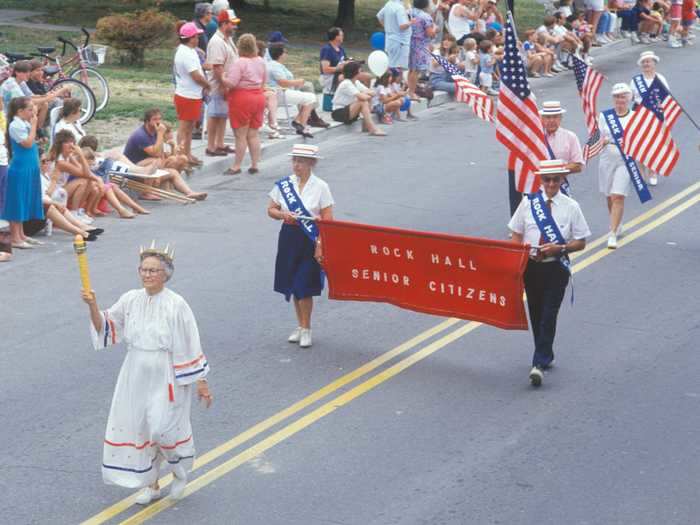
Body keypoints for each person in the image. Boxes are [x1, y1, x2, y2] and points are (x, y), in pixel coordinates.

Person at [81, 244, 212, 505]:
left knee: (163, 430)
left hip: (167, 376)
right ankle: (151, 485)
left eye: (154, 270)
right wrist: (93, 306)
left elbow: (190, 343)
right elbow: (105, 327)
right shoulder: (130, 299)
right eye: (144, 269)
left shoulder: (177, 305)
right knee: (140, 430)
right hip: (135, 373)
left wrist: (201, 382)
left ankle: (178, 471)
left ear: (166, 274)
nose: (148, 275)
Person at [508, 159, 591, 387]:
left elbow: (581, 241)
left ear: (562, 179)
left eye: (556, 179)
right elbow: (516, 233)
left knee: (548, 314)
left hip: (556, 268)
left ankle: (538, 363)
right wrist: (519, 257)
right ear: (541, 180)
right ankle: (545, 353)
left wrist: (560, 248)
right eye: (547, 179)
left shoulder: (571, 206)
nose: (552, 183)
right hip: (532, 268)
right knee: (535, 313)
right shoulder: (528, 204)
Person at [267, 144, 334, 348]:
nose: (296, 165)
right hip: (289, 236)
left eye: (301, 162)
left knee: (305, 285)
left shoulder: (321, 186)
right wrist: (282, 214)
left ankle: (306, 328)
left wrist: (320, 245)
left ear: (311, 164)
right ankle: (300, 325)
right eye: (294, 160)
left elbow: (328, 220)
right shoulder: (284, 185)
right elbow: (270, 210)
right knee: (293, 284)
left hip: (310, 238)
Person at [123, 109, 208, 201]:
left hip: (149, 169)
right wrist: (160, 133)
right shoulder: (140, 135)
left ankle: (190, 193)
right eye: (155, 119)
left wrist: (171, 147)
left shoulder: (156, 131)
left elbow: (160, 155)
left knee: (174, 170)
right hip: (132, 169)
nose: (158, 122)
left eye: (159, 119)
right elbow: (155, 154)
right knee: (156, 161)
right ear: (147, 121)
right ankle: (146, 192)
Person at [1, 97, 44, 249]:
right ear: (20, 111)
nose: (32, 113)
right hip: (20, 168)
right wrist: (33, 126)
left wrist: (34, 117)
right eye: (29, 110)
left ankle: (21, 234)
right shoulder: (15, 125)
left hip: (29, 166)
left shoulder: (24, 122)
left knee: (24, 200)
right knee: (17, 202)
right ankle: (14, 236)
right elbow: (27, 143)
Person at [598, 83, 635, 249]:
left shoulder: (634, 117)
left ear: (629, 98)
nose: (620, 100)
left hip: (625, 160)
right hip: (607, 158)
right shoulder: (605, 116)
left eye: (623, 96)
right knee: (609, 195)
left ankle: (612, 233)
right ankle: (617, 221)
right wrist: (602, 141)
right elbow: (597, 137)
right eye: (617, 97)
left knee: (617, 195)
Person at [224, 33, 266, 175]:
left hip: (242, 98)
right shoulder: (260, 61)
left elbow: (232, 82)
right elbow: (263, 80)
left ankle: (236, 166)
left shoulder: (240, 62)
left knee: (240, 135)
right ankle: (254, 164)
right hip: (258, 97)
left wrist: (222, 78)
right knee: (253, 134)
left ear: (239, 46)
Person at [174, 22, 211, 167]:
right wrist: (207, 85)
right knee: (184, 128)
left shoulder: (188, 51)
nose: (198, 38)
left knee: (189, 128)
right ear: (191, 38)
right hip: (187, 95)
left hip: (191, 94)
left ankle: (187, 154)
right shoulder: (186, 53)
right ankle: (181, 157)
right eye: (196, 35)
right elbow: (195, 75)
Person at [629, 50, 668, 186]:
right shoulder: (635, 80)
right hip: (638, 113)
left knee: (653, 145)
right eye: (644, 62)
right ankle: (640, 173)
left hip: (655, 114)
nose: (646, 64)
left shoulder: (660, 79)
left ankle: (652, 171)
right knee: (639, 145)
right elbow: (631, 97)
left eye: (649, 61)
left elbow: (666, 99)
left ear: (654, 63)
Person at [205, 8, 239, 157]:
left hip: (225, 83)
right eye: (233, 24)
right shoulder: (217, 41)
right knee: (214, 115)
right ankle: (211, 146)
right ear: (224, 24)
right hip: (218, 85)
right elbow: (217, 67)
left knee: (222, 114)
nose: (235, 26)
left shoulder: (227, 39)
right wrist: (225, 85)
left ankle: (220, 143)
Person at [267, 46, 317, 139]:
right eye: (285, 52)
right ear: (281, 54)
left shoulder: (272, 64)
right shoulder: (275, 66)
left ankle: (298, 122)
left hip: (276, 93)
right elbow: (283, 82)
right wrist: (298, 81)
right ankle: (302, 125)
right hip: (280, 93)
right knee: (311, 98)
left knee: (305, 95)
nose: (286, 54)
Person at [539, 101, 585, 193]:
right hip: (538, 187)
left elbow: (578, 165)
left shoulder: (570, 137)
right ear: (542, 119)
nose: (551, 120)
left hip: (560, 187)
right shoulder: (535, 138)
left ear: (560, 118)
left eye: (555, 117)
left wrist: (556, 171)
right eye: (548, 117)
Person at [331, 62, 387, 136]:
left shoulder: (356, 82)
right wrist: (366, 95)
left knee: (365, 100)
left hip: (349, 111)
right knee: (363, 102)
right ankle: (372, 129)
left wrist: (366, 95)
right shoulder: (346, 83)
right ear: (355, 72)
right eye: (360, 71)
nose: (362, 73)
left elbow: (372, 92)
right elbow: (364, 97)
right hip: (339, 113)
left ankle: (366, 127)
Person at [408, 0, 436, 99]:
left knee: (411, 69)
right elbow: (429, 33)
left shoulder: (408, 12)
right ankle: (411, 92)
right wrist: (435, 30)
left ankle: (410, 90)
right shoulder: (426, 17)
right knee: (416, 70)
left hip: (408, 42)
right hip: (420, 44)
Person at [377, 0, 414, 72]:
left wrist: (387, 28)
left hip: (390, 39)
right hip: (400, 42)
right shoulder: (399, 7)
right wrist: (411, 22)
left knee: (391, 65)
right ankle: (392, 82)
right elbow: (402, 26)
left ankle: (387, 81)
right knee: (398, 68)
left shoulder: (389, 3)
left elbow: (379, 16)